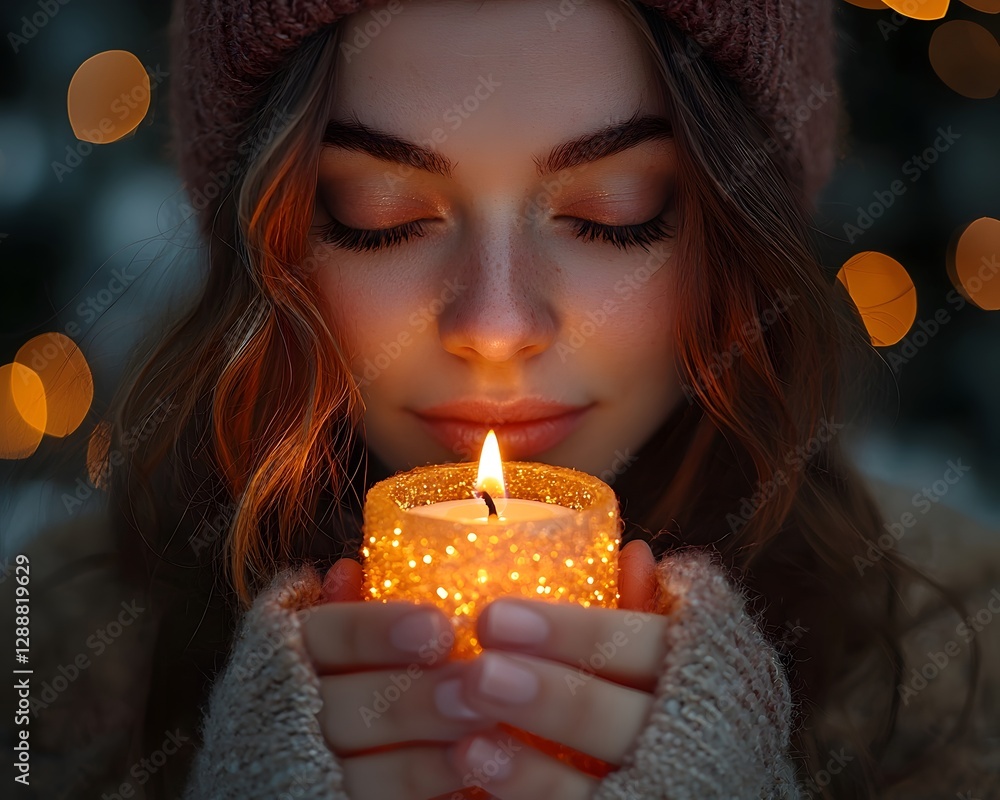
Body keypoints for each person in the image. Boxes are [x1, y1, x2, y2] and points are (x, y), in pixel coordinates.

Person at [7, 0, 1000, 798]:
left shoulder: (964, 655)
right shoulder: (46, 656)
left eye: (615, 214)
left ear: (740, 235)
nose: (492, 322)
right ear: (268, 239)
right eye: (379, 217)